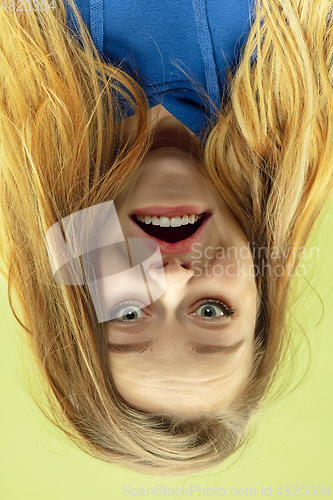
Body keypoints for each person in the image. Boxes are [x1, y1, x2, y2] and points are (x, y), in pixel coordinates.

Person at [0, 0, 332, 477]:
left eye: (129, 313)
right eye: (212, 311)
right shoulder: (311, 57)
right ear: (259, 286)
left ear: (77, 287)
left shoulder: (18, 58)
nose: (172, 279)